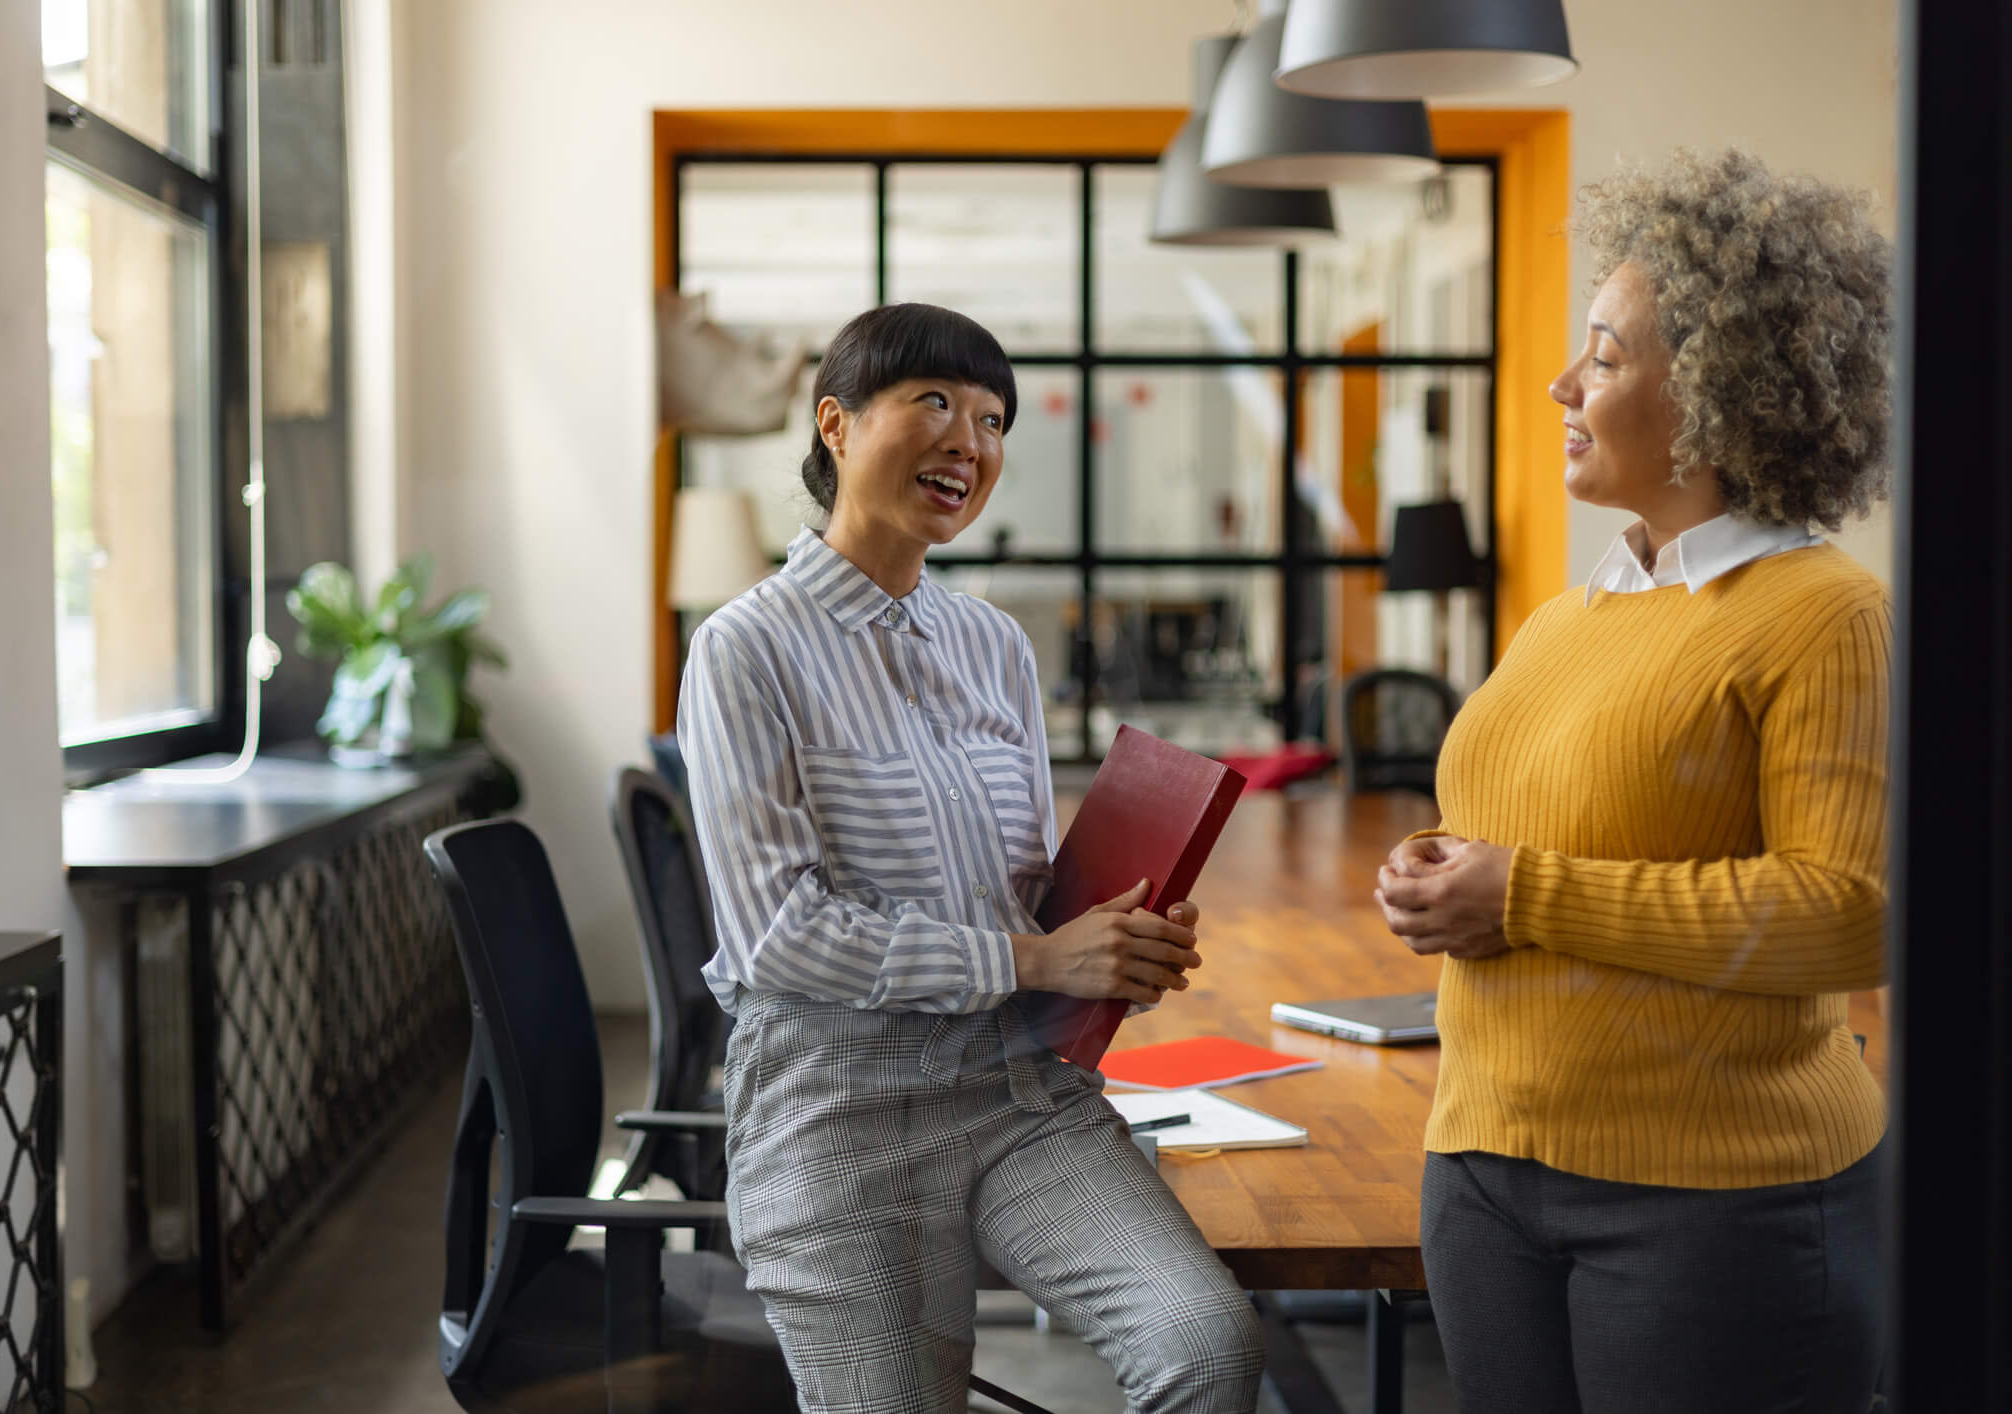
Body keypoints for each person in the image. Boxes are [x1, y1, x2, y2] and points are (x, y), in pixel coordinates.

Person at [1373, 147, 1893, 1413]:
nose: (1561, 382)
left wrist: (1526, 893)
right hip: (1482, 1165)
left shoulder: (1825, 613)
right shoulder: (1573, 611)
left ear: (1717, 396)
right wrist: (1439, 860)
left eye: (1602, 357)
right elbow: (1533, 819)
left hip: (1714, 1203)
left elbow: (1849, 909)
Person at [678, 302, 1264, 1413]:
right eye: (933, 402)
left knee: (1206, 1344)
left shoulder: (992, 643)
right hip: (832, 1108)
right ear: (836, 425)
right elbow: (776, 935)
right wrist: (1041, 963)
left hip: (1015, 1093)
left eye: (993, 418)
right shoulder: (742, 649)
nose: (969, 441)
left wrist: (1118, 936)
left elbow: (1024, 890)